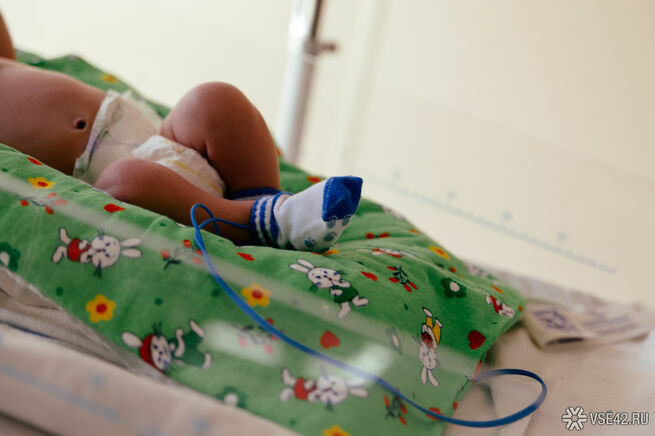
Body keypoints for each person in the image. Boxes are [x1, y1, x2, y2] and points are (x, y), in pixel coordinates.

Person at [0, 12, 361, 252]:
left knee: (214, 100)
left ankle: (265, 197)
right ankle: (260, 223)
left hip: (162, 138)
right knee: (127, 180)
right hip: (116, 178)